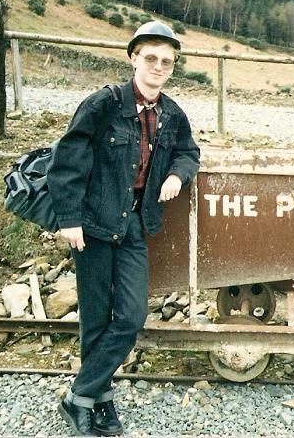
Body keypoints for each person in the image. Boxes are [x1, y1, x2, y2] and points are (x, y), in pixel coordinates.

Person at [48, 21, 200, 436]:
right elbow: (67, 161)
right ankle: (98, 400)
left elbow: (189, 152)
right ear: (134, 58)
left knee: (131, 315)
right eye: (151, 58)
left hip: (135, 224)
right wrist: (69, 218)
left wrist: (178, 174)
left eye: (167, 61)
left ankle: (78, 395)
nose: (158, 66)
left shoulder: (172, 114)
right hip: (94, 224)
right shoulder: (103, 104)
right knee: (95, 317)